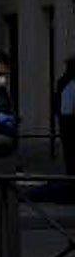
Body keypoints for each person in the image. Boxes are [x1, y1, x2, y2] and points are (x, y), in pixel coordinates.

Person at [54, 55, 75, 186]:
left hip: (66, 125)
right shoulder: (68, 83)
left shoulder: (63, 82)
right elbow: (66, 109)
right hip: (70, 125)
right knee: (71, 159)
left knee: (70, 159)